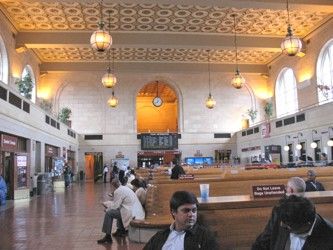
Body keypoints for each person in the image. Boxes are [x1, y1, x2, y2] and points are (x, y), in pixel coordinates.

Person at [143, 191, 219, 250]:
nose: (191, 214)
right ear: (173, 212)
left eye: (194, 210)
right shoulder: (160, 236)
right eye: (186, 210)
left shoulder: (205, 236)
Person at [252, 177, 306, 249]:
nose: (286, 189)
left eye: (287, 187)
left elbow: (269, 232)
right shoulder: (310, 208)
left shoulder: (281, 208)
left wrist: (257, 245)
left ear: (291, 190)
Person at [263, 195, 333, 249]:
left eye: (289, 226)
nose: (282, 225)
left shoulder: (329, 238)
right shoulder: (282, 217)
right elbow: (262, 243)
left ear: (307, 225)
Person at [97, 178, 145, 244]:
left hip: (131, 212)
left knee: (109, 213)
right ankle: (120, 230)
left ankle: (107, 236)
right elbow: (118, 205)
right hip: (135, 211)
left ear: (113, 185)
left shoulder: (118, 191)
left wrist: (107, 208)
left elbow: (115, 206)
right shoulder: (125, 188)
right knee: (120, 210)